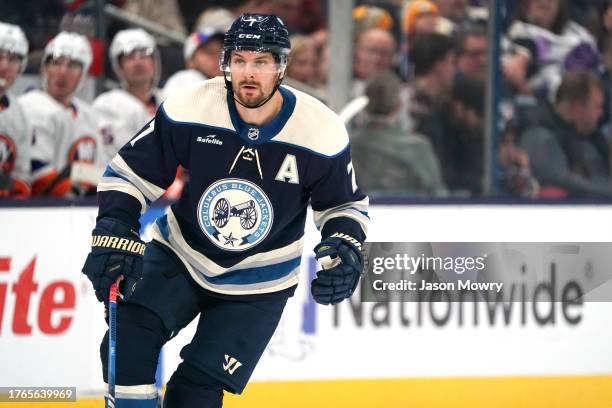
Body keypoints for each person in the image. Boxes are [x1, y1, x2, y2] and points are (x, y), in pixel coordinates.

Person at [81, 13, 369, 408]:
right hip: (180, 254)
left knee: (194, 393)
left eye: (261, 62)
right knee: (128, 341)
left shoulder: (321, 130)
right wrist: (116, 222)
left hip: (259, 283)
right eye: (240, 60)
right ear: (226, 63)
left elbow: (343, 203)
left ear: (281, 66)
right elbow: (129, 173)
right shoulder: (192, 106)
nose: (248, 73)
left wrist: (345, 243)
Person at [18, 31, 101, 197]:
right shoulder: (30, 106)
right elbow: (37, 172)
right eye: (56, 63)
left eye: (72, 65)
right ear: (45, 68)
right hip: (42, 210)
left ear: (83, 74)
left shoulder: (88, 114)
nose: (62, 72)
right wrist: (75, 196)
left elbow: (100, 171)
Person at [519, 70, 612, 197]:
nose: (601, 113)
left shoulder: (596, 139)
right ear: (578, 107)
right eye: (597, 106)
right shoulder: (540, 136)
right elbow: (561, 182)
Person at [93, 28, 163, 165]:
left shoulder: (171, 100)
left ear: (154, 61)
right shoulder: (105, 105)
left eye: (144, 54)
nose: (138, 62)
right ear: (119, 66)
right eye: (129, 56)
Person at [0, 22, 31, 198]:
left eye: (12, 59)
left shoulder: (20, 114)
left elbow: (22, 175)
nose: (4, 67)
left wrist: (14, 189)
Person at [162, 25, 228, 98]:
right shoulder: (185, 80)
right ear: (190, 62)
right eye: (208, 51)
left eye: (222, 50)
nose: (218, 56)